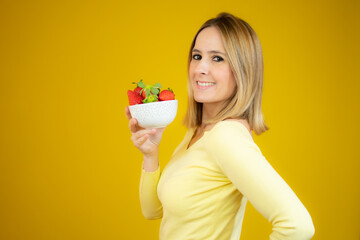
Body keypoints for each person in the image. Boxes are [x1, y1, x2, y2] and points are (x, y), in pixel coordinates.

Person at [125, 12, 315, 240]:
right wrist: (151, 154)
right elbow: (153, 211)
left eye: (217, 58)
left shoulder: (226, 137)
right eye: (197, 56)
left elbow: (298, 226)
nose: (200, 68)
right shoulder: (199, 132)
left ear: (243, 70)